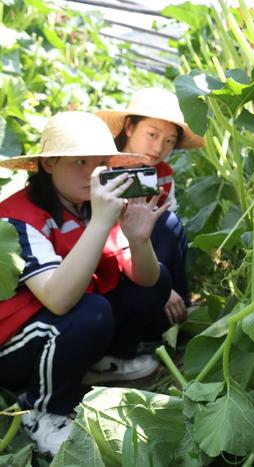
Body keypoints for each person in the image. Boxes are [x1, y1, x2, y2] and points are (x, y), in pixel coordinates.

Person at [0, 112, 172, 456]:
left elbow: (147, 280)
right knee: (89, 312)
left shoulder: (88, 204)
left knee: (157, 278)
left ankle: (101, 362)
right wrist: (102, 222)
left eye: (100, 163)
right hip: (14, 345)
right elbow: (58, 300)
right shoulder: (16, 217)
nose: (92, 173)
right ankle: (42, 410)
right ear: (48, 166)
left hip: (62, 325)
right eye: (80, 161)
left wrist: (139, 240)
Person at [96, 87, 205, 327]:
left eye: (169, 141)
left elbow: (168, 233)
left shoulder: (163, 174)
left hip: (146, 258)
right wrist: (161, 288)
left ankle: (175, 309)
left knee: (169, 223)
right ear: (129, 127)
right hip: (113, 263)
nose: (158, 148)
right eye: (152, 135)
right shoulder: (103, 171)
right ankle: (155, 314)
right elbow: (106, 240)